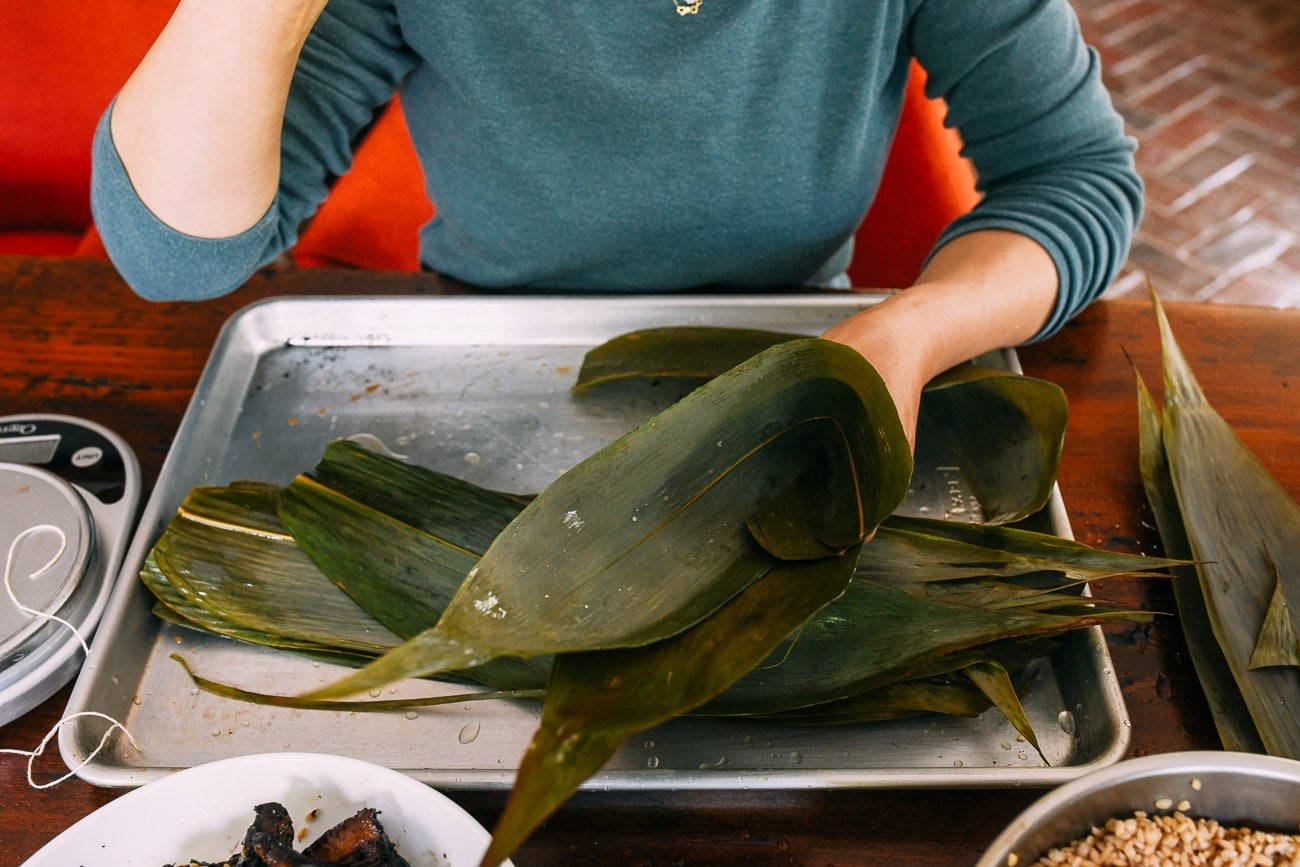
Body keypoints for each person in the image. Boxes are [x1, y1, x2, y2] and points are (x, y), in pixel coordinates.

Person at [90, 0, 1141, 449]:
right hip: (481, 375)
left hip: (805, 359)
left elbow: (1074, 173)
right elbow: (172, 255)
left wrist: (911, 331)